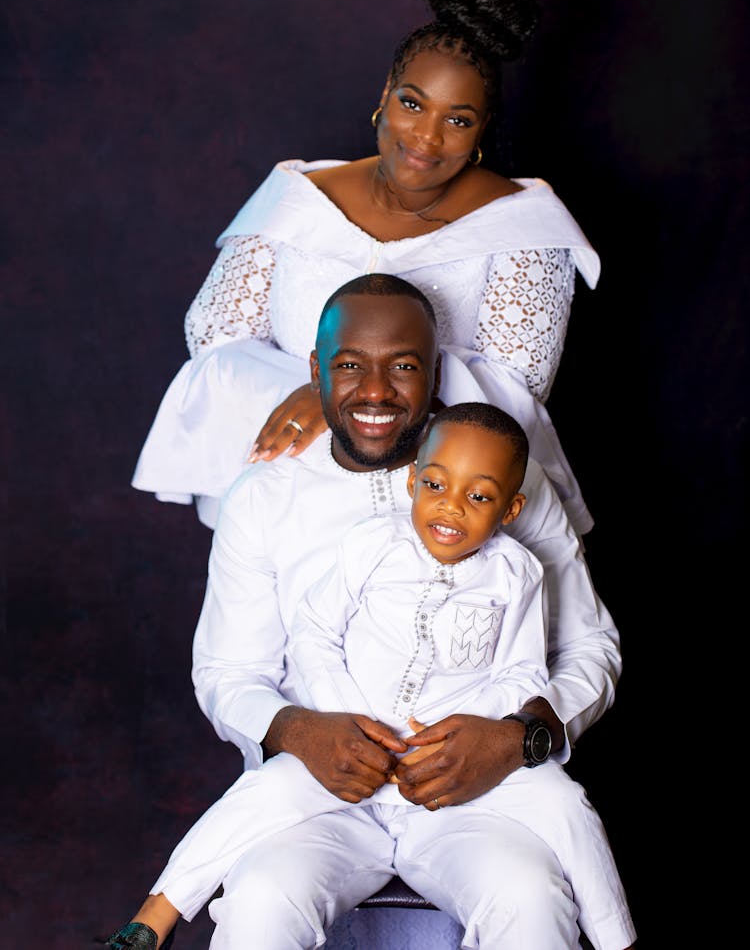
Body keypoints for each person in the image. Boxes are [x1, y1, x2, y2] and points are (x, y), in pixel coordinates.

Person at [111, 275, 623, 949]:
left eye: (404, 366)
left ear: (437, 371)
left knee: (531, 897)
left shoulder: (509, 482)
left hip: (476, 798)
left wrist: (518, 735)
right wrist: (297, 730)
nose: (376, 392)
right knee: (261, 896)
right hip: (318, 799)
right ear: (316, 372)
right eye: (351, 365)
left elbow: (592, 649)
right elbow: (227, 674)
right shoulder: (265, 496)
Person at [131, 0, 601, 538]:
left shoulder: (522, 229)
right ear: (386, 94)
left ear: (482, 131)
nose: (427, 138)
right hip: (295, 500)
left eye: (458, 119)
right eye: (412, 104)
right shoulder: (297, 198)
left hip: (442, 513)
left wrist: (338, 396)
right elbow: (216, 342)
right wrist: (314, 395)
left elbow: (513, 391)